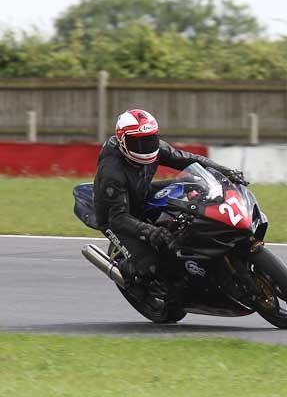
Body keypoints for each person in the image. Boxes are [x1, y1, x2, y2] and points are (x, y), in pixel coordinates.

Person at [93, 108, 247, 310]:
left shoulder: (156, 149)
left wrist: (225, 171)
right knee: (151, 266)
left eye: (149, 139)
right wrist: (150, 231)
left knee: (194, 184)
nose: (145, 147)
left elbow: (188, 159)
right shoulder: (112, 172)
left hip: (142, 194)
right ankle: (128, 274)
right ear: (122, 141)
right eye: (137, 142)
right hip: (117, 216)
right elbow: (118, 217)